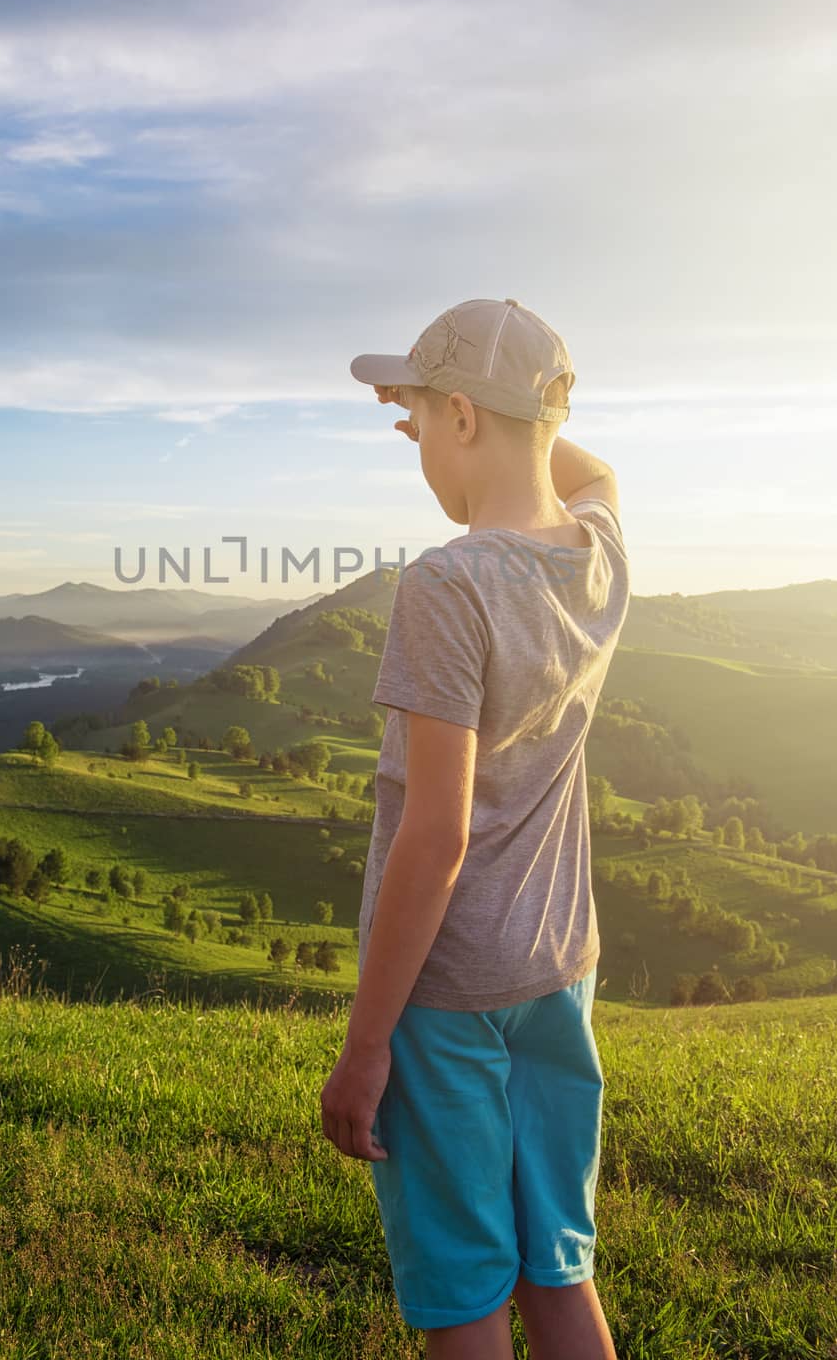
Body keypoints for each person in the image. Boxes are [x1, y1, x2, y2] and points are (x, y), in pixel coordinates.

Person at [319, 298, 629, 1360]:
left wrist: (366, 1050)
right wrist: (515, 415)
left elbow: (435, 834)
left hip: (445, 996)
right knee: (559, 1267)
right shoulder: (593, 552)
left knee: (464, 1295)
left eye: (419, 425)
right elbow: (588, 475)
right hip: (557, 970)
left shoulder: (446, 584)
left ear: (460, 415)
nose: (414, 449)